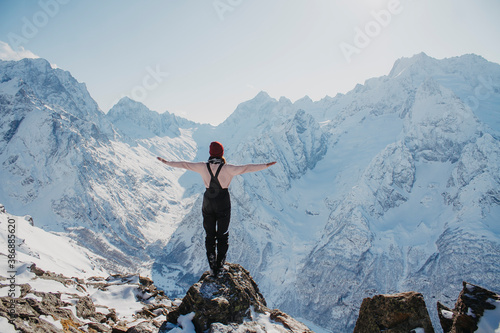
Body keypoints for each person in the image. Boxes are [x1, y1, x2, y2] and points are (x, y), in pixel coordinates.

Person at [157, 141, 276, 276]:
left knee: (210, 235)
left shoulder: (202, 167)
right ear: (222, 153)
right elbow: (247, 168)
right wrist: (266, 165)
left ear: (210, 153)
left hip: (208, 201)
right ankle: (220, 265)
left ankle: (212, 266)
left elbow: (184, 164)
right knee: (223, 235)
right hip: (223, 202)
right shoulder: (228, 169)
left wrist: (166, 162)